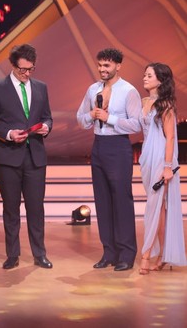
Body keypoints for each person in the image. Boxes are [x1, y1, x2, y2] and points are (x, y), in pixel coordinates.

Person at [0, 43, 53, 269]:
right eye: (22, 69)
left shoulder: (41, 87)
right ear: (13, 66)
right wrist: (9, 134)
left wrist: (46, 127)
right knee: (11, 207)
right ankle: (12, 254)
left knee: (36, 207)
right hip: (8, 157)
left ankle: (39, 254)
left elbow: (47, 116)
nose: (27, 74)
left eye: (30, 69)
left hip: (35, 157)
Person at [76, 48, 142, 271]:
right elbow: (81, 119)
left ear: (118, 66)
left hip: (119, 147)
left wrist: (109, 117)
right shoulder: (93, 89)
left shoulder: (129, 91)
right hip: (98, 146)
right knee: (102, 200)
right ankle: (109, 252)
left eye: (107, 65)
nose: (102, 69)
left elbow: (136, 124)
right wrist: (91, 115)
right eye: (100, 65)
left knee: (121, 201)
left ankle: (126, 254)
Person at [137, 62, 187, 274]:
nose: (145, 78)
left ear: (160, 80)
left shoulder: (166, 105)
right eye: (145, 74)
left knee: (153, 208)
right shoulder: (144, 101)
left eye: (149, 75)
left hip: (160, 159)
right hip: (147, 157)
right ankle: (163, 254)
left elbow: (170, 138)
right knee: (160, 211)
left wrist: (168, 166)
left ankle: (146, 255)